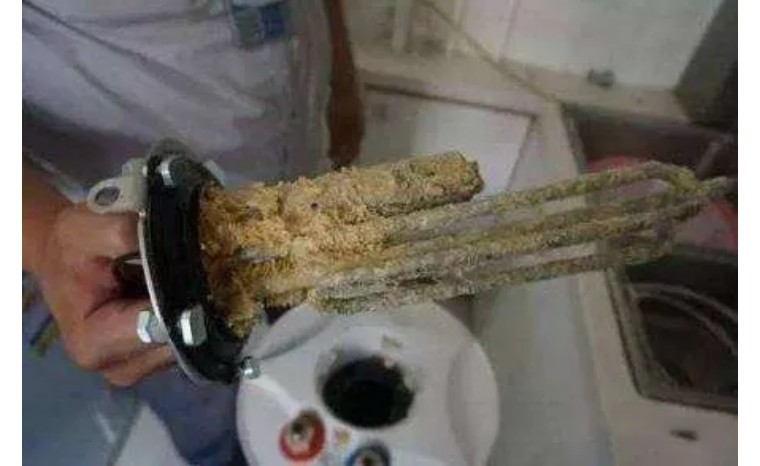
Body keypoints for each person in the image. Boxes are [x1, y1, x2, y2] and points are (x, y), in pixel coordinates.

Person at [22, 1, 363, 464]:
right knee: (224, 430)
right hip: (150, 260)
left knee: (317, 365)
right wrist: (43, 237)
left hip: (303, 180)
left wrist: (339, 73)